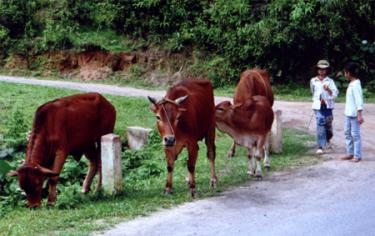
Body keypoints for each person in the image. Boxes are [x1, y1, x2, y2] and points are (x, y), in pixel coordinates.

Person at [310, 59, 339, 155]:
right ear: (317, 70)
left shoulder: (330, 81)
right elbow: (313, 92)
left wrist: (329, 90)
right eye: (320, 69)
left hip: (328, 106)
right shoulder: (313, 81)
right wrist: (317, 100)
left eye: (324, 69)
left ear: (327, 70)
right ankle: (320, 146)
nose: (322, 71)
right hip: (318, 106)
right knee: (320, 123)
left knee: (328, 125)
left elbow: (335, 94)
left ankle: (328, 138)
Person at [341, 61, 364, 162]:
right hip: (348, 113)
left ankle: (357, 155)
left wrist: (359, 115)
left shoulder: (356, 85)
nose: (345, 74)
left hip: (354, 114)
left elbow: (359, 100)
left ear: (349, 73)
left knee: (355, 135)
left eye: (345, 72)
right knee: (347, 133)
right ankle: (350, 153)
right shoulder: (351, 83)